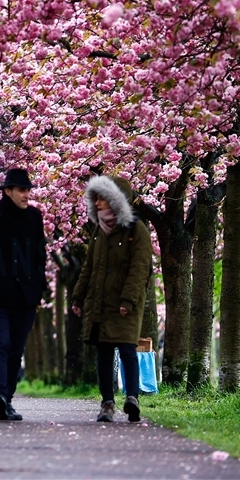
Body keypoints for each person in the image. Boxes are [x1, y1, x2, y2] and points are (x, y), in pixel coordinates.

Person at [71, 175, 152, 423]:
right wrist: (78, 296)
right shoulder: (99, 231)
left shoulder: (136, 230)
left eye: (103, 200)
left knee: (128, 349)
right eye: (95, 199)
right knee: (103, 352)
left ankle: (132, 398)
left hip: (125, 302)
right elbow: (89, 267)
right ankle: (107, 403)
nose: (97, 204)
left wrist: (128, 300)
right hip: (100, 301)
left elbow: (140, 268)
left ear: (116, 200)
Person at [0, 168, 47, 421]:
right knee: (1, 343)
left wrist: (38, 285)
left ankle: (6, 399)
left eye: (28, 190)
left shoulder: (34, 217)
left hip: (26, 295)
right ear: (8, 191)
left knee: (16, 348)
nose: (26, 195)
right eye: (21, 190)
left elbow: (39, 254)